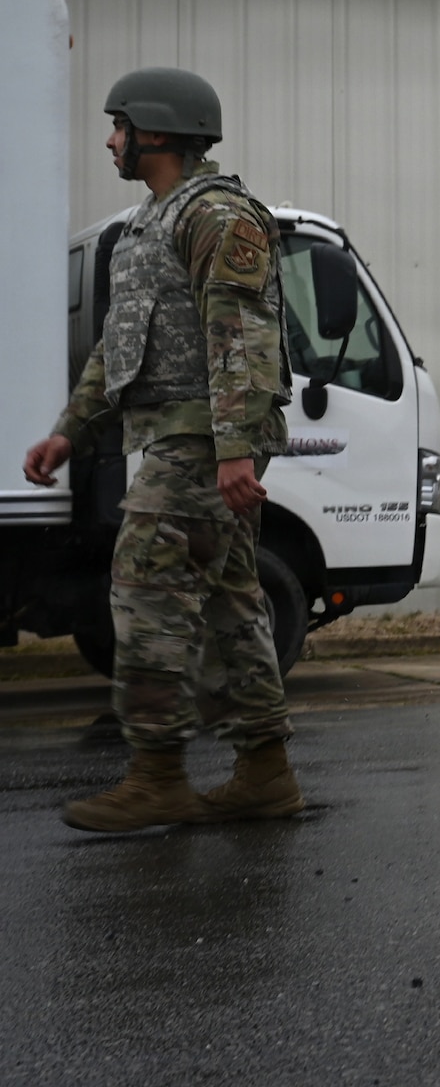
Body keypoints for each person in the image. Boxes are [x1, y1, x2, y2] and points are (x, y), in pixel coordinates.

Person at [24, 67, 303, 831]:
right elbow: (116, 351)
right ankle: (265, 770)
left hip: (208, 439)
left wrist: (236, 446)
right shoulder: (146, 226)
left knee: (144, 579)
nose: (110, 139)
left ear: (156, 131)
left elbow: (237, 332)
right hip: (182, 437)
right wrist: (68, 430)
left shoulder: (217, 214)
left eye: (119, 125)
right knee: (230, 601)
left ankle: (156, 774)